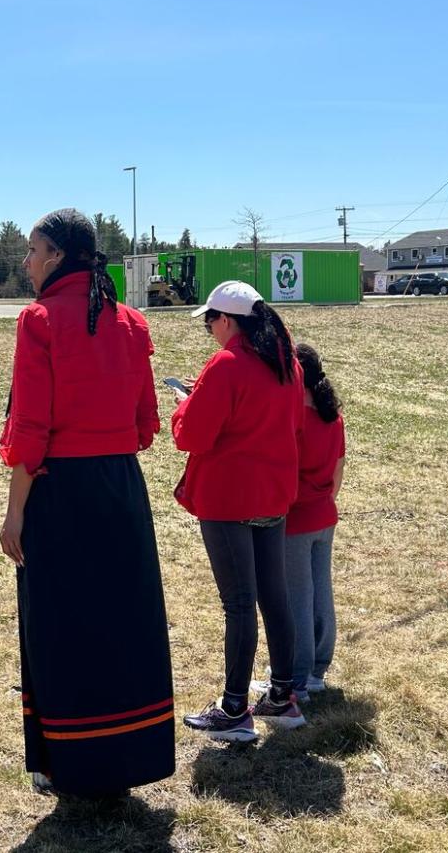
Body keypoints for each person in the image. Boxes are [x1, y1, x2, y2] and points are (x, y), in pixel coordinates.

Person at [0, 208, 173, 798]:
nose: (26, 262)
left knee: (61, 628)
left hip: (60, 492)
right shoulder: (131, 323)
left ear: (58, 257)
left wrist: (15, 509)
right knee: (124, 624)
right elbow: (146, 425)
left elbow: (31, 430)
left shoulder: (39, 320)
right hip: (122, 490)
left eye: (33, 250)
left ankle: (65, 763)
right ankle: (126, 757)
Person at [172, 281, 306, 742]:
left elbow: (192, 435)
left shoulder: (226, 365)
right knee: (275, 596)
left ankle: (233, 709)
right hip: (273, 494)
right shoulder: (285, 363)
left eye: (210, 321)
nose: (209, 330)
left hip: (229, 499)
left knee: (238, 604)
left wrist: (185, 404)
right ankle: (284, 694)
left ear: (226, 321)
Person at [277, 343, 345, 700]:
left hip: (295, 521)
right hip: (324, 515)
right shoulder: (332, 415)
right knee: (321, 594)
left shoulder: (291, 419)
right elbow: (338, 469)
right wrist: (325, 502)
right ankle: (318, 668)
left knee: (296, 601)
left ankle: (296, 679)